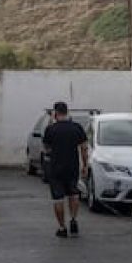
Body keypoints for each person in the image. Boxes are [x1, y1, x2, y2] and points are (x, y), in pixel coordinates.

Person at [43, 101, 88, 238]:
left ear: (55, 113)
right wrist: (85, 165)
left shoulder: (51, 129)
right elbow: (84, 148)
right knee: (73, 194)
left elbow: (46, 148)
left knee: (58, 199)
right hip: (72, 167)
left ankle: (62, 228)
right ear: (67, 112)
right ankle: (73, 220)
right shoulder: (77, 128)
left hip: (56, 168)